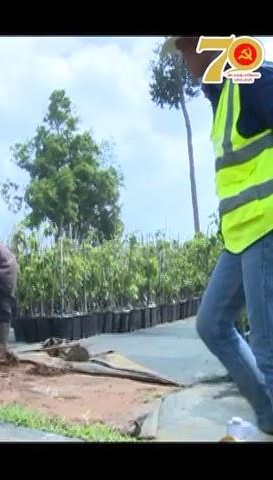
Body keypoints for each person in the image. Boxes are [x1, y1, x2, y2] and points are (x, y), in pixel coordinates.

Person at [162, 36, 273, 434]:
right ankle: (269, 416)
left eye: (187, 47)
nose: (184, 59)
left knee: (267, 345)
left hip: (266, 227)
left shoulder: (254, 80)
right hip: (240, 237)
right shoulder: (223, 94)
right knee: (211, 322)